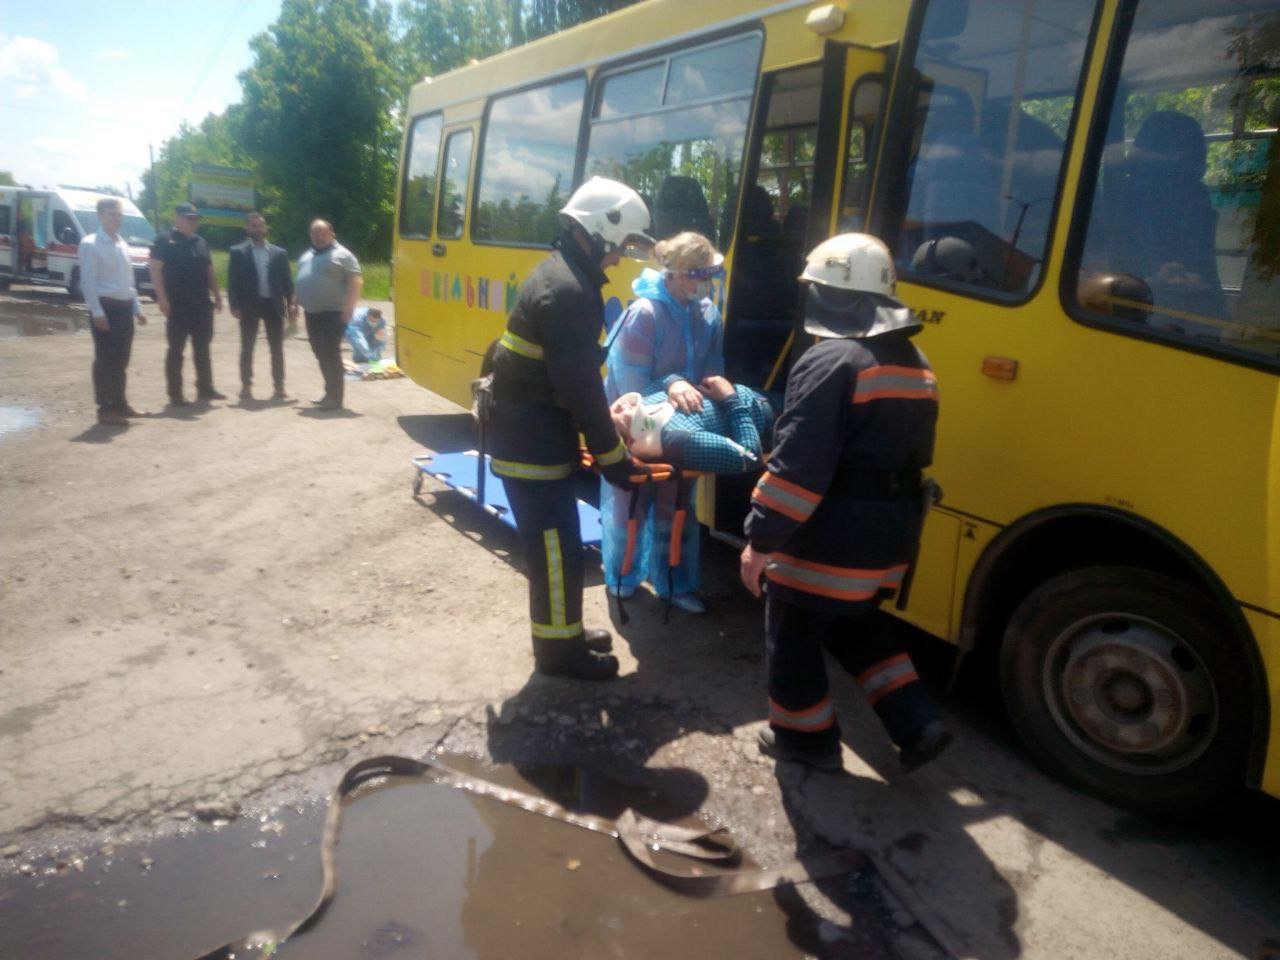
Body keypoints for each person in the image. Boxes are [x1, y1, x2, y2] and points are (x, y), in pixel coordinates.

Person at [740, 233, 952, 775]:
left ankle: (803, 740)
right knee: (855, 624)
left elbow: (797, 472)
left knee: (791, 633)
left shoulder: (830, 359)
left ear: (832, 296)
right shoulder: (915, 359)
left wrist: (760, 540)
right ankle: (917, 721)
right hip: (892, 531)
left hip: (829, 535)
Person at [487, 176, 653, 681]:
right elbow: (580, 388)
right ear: (599, 232)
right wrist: (614, 460)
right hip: (529, 438)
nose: (619, 258)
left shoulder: (563, 277)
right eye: (620, 246)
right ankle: (560, 655)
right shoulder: (569, 292)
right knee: (557, 550)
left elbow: (572, 382)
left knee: (555, 547)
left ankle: (564, 632)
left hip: (529, 429)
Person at [602, 231, 725, 613]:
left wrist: (713, 393)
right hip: (637, 428)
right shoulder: (645, 315)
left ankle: (674, 582)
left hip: (685, 426)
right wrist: (671, 383)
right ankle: (623, 576)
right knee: (631, 504)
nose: (705, 283)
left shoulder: (707, 313)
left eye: (710, 275)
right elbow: (629, 390)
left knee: (678, 507)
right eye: (698, 275)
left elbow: (712, 369)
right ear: (672, 274)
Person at [609, 375, 775, 474]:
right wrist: (730, 400)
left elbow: (663, 380)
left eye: (614, 407)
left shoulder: (644, 402)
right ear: (630, 441)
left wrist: (674, 382)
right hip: (772, 420)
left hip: (755, 396)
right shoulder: (680, 440)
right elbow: (750, 457)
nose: (623, 404)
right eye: (619, 414)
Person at [78, 196, 147, 426]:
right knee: (106, 359)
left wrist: (137, 307)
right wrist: (97, 312)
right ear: (100, 215)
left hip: (124, 307)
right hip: (105, 307)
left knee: (121, 359)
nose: (116, 219)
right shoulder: (90, 243)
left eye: (119, 215)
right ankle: (105, 408)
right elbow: (87, 282)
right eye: (111, 214)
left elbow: (129, 281)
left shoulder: (122, 244)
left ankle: (120, 404)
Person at [149, 202, 225, 406]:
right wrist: (162, 298)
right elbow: (155, 269)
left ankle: (205, 388)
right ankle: (175, 394)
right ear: (177, 217)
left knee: (203, 348)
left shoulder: (200, 241)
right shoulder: (164, 240)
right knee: (176, 349)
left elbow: (208, 270)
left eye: (195, 218)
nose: (193, 222)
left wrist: (217, 295)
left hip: (201, 304)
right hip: (177, 305)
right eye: (188, 218)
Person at [227, 211, 296, 401]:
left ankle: (279, 387)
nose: (257, 228)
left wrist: (291, 303)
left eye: (261, 225)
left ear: (266, 228)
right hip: (249, 305)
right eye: (253, 225)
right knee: (247, 347)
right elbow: (232, 281)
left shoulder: (279, 253)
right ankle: (246, 386)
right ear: (247, 229)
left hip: (273, 305)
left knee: (276, 348)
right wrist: (234, 304)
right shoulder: (238, 252)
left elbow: (287, 282)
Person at [295, 219, 362, 410]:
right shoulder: (307, 255)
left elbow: (356, 281)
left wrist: (350, 306)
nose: (319, 237)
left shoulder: (343, 255)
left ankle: (336, 398)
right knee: (319, 352)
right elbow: (301, 280)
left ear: (332, 233)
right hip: (312, 313)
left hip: (334, 312)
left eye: (322, 233)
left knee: (330, 352)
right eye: (315, 234)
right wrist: (294, 301)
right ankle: (328, 393)